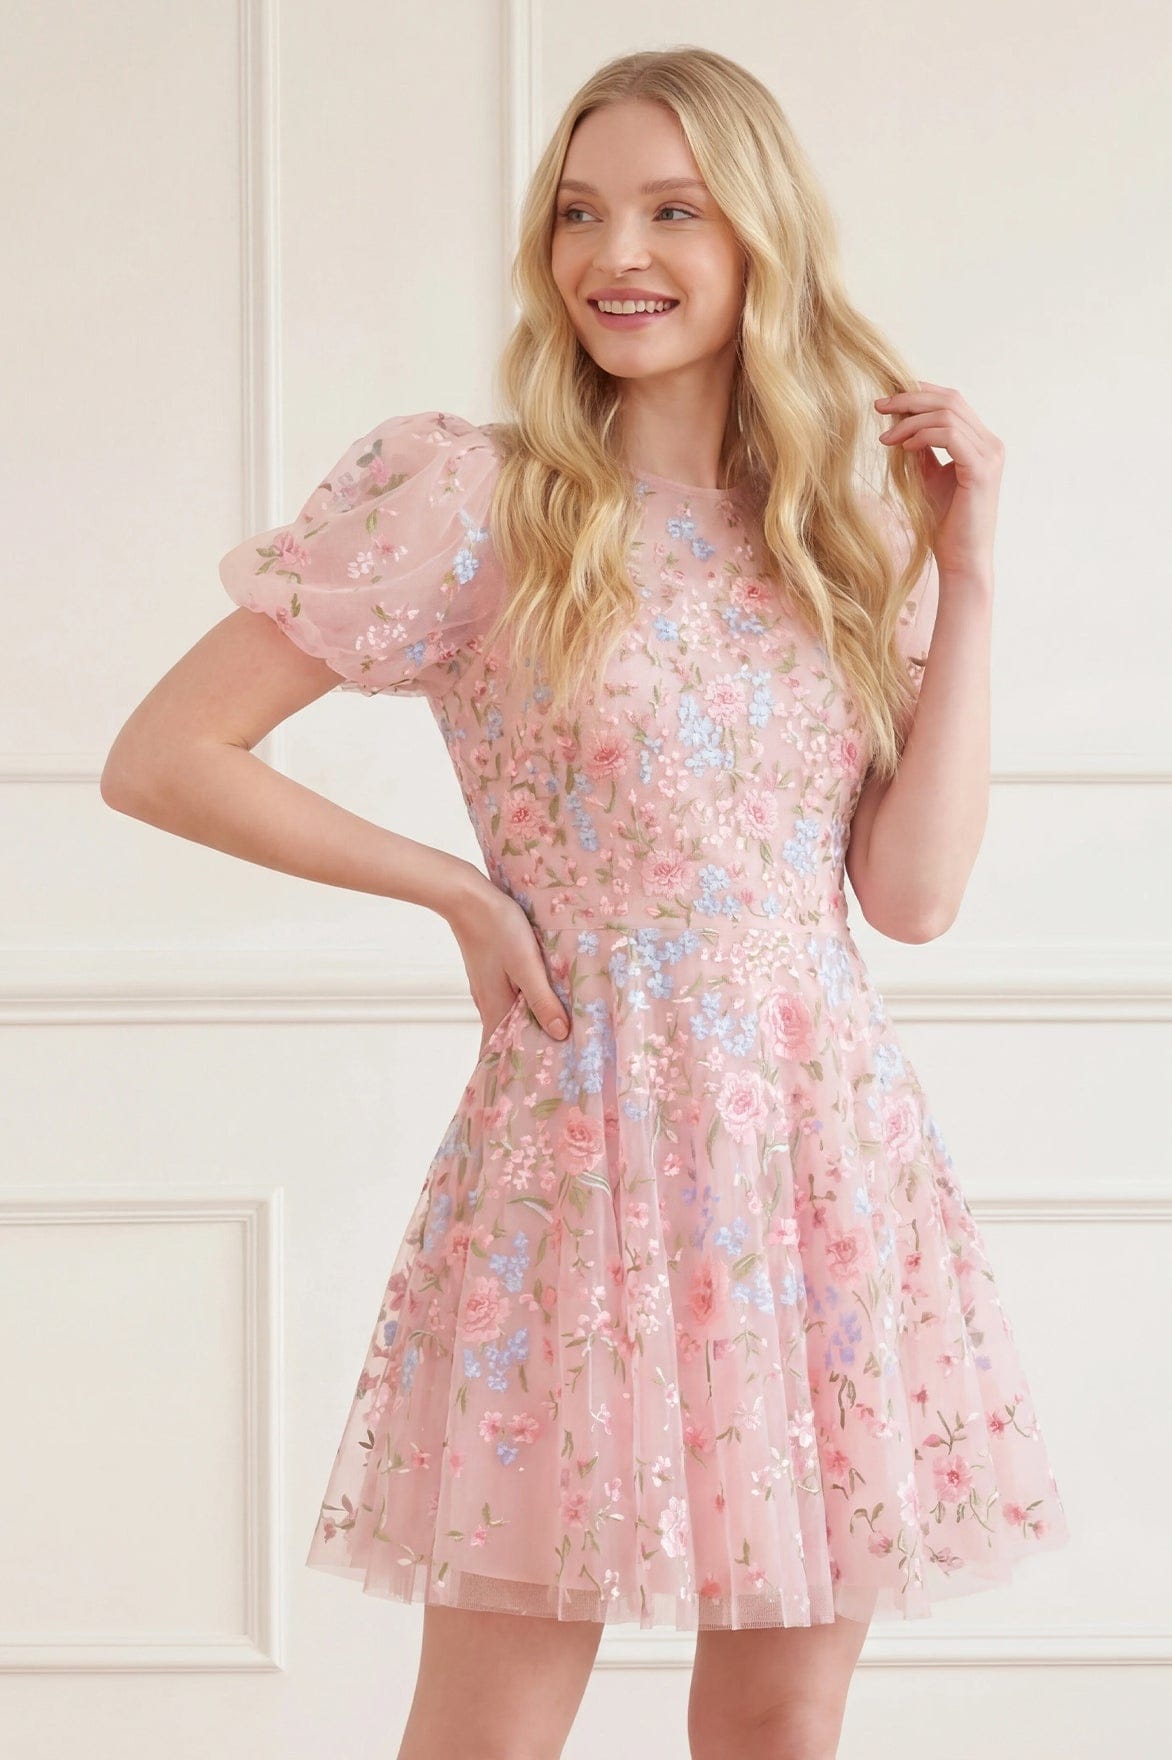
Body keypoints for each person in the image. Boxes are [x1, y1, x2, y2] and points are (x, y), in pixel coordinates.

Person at [102, 45, 1071, 1760]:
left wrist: (973, 572)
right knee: (490, 1733)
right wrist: (458, 895)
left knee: (781, 1725)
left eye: (673, 211)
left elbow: (912, 900)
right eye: (579, 213)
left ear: (762, 237)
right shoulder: (482, 502)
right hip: (579, 1153)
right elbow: (165, 755)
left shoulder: (848, 531)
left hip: (816, 1170)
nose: (616, 254)